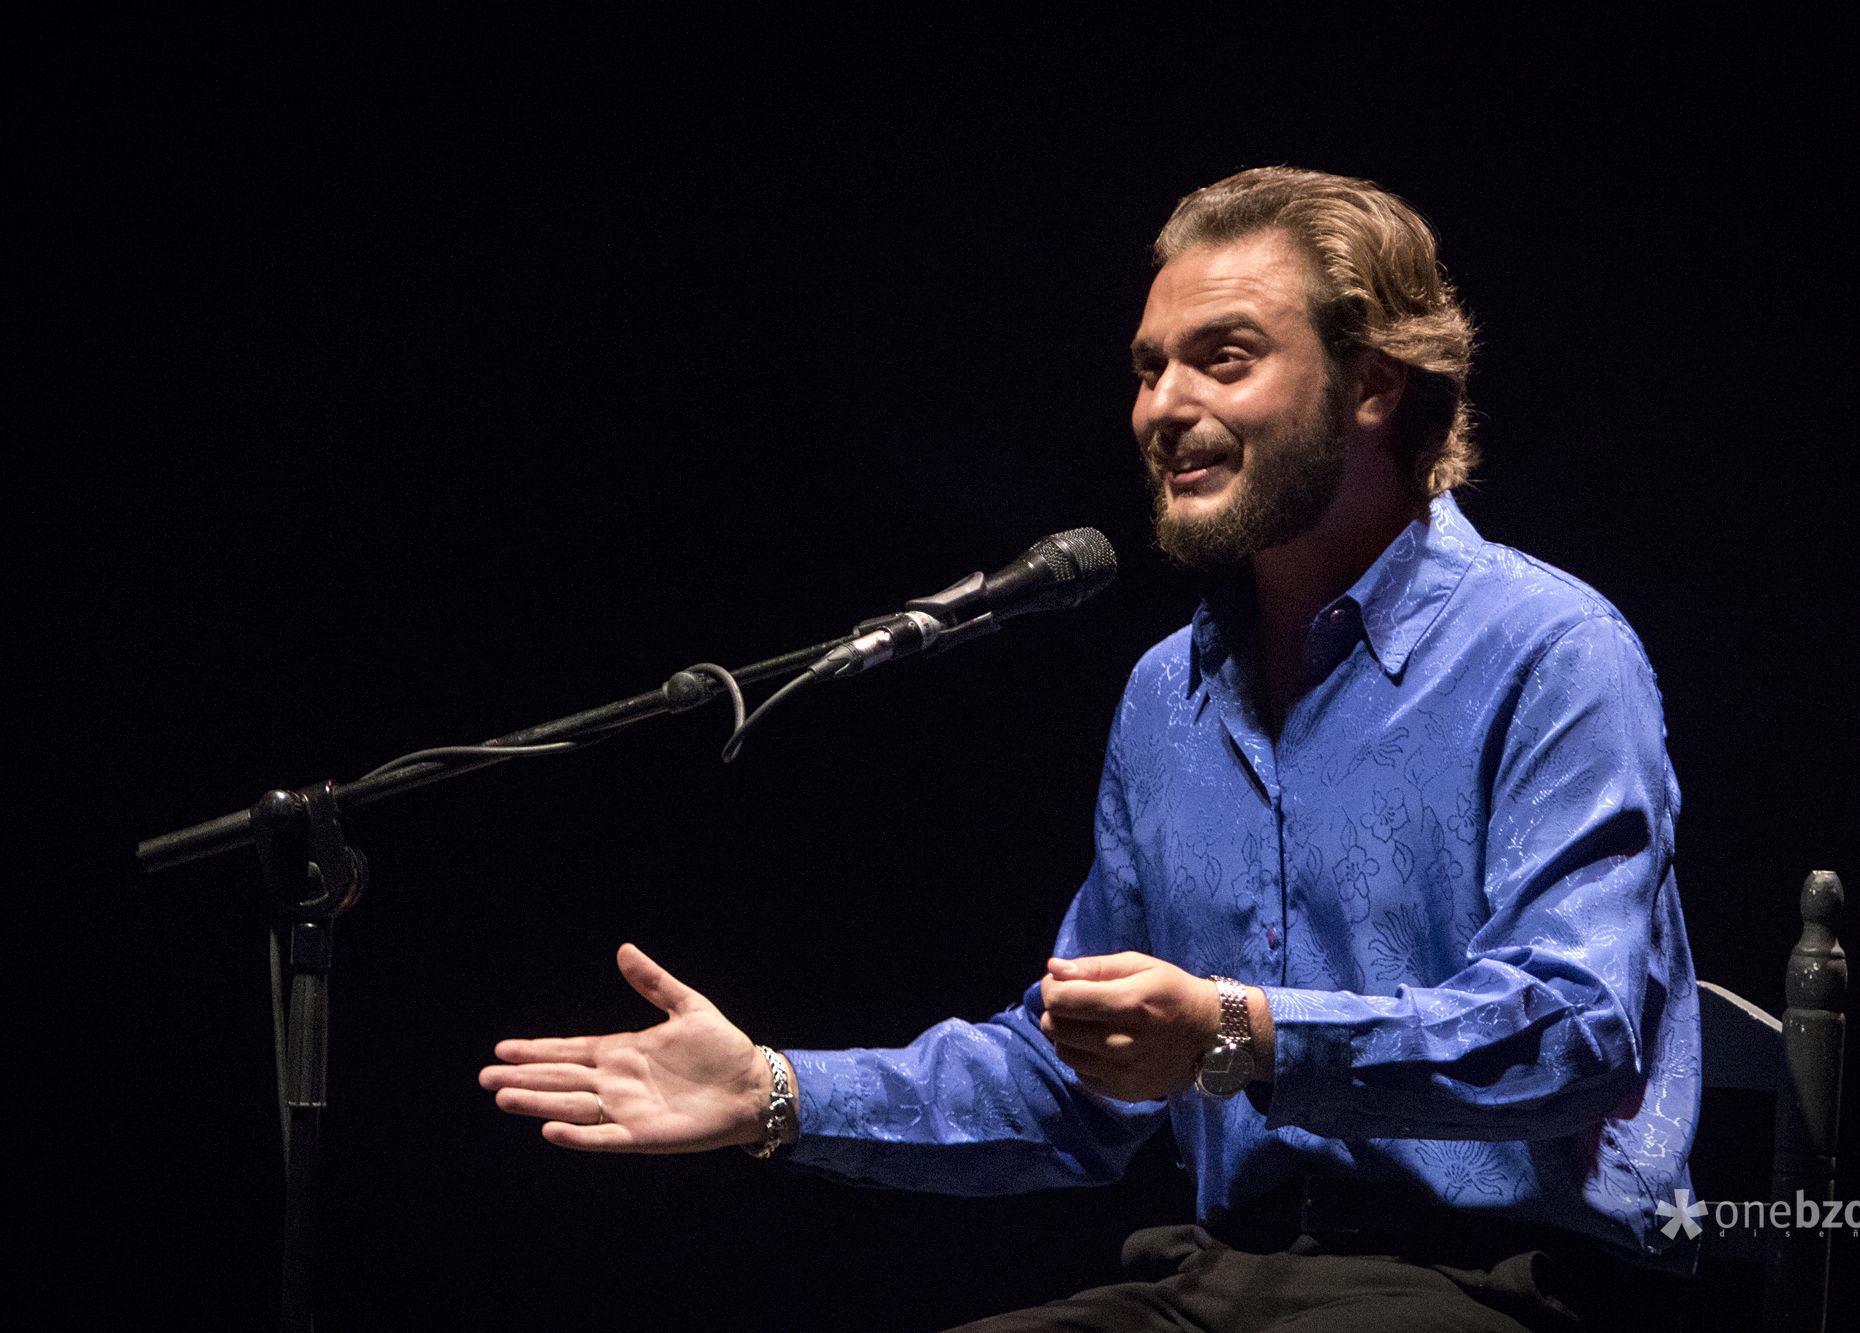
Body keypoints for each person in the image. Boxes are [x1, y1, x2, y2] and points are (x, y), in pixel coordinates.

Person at [479, 167, 1699, 1331]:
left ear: (1372, 383)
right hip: (1225, 1278)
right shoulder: (1165, 694)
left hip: (1495, 1288)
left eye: (1222, 357)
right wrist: (775, 1095)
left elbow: (1576, 1032)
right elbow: (1079, 1081)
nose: (1162, 406)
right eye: (1147, 366)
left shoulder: (1550, 651)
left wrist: (1239, 1028)